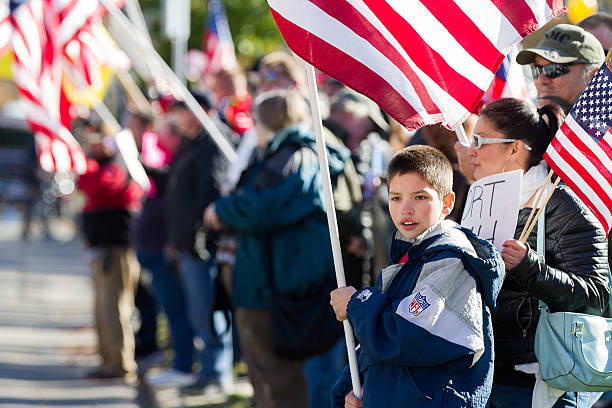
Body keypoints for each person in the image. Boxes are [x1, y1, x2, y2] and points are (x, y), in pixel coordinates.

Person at [203, 89, 348, 408]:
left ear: (265, 122)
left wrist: (222, 211)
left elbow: (264, 208)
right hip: (264, 281)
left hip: (275, 288)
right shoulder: (280, 153)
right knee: (266, 378)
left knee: (279, 382)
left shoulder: (297, 155)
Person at [330, 145, 505, 407]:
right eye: (395, 198)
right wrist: (356, 389)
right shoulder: (407, 255)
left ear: (447, 203)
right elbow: (373, 352)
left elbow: (404, 334)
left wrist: (356, 303)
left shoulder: (451, 261)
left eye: (420, 197)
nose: (406, 209)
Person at [464, 98, 609, 407]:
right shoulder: (476, 201)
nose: (470, 150)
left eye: (480, 140)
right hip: (483, 373)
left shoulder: (562, 206)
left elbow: (598, 297)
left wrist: (531, 268)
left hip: (539, 381)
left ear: (515, 149)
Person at [148, 90, 233, 392]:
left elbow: (210, 192)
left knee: (208, 308)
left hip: (203, 245)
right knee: (199, 310)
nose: (177, 117)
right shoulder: (191, 143)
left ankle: (217, 373)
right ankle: (208, 369)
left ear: (201, 111)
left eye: (182, 110)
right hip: (186, 242)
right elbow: (178, 190)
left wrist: (194, 232)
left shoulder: (213, 143)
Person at [77, 132, 143, 381]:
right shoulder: (101, 166)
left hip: (117, 250)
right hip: (101, 249)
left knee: (116, 307)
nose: (91, 145)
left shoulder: (121, 166)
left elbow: (101, 188)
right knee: (102, 308)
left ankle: (121, 363)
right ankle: (108, 359)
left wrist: (87, 168)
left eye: (98, 139)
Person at [515, 24, 604, 114]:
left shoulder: (603, 124)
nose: (540, 80)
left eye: (553, 69)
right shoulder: (527, 123)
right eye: (536, 70)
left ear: (593, 76)